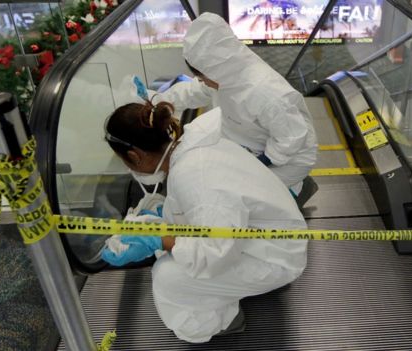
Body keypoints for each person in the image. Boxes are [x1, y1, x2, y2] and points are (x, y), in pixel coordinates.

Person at [101, 100, 308, 343]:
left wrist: (157, 239)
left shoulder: (195, 177)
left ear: (134, 156)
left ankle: (223, 323)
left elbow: (215, 255)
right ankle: (222, 294)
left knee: (168, 278)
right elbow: (207, 212)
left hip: (275, 257)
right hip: (264, 236)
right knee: (175, 257)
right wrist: (162, 221)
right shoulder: (191, 148)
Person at [153, 12, 317, 198]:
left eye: (203, 77)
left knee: (242, 193)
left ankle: (296, 191)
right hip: (255, 140)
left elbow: (291, 138)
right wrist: (157, 101)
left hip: (291, 158)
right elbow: (194, 91)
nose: (202, 82)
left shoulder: (264, 92)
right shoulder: (226, 75)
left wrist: (259, 163)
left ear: (215, 70)